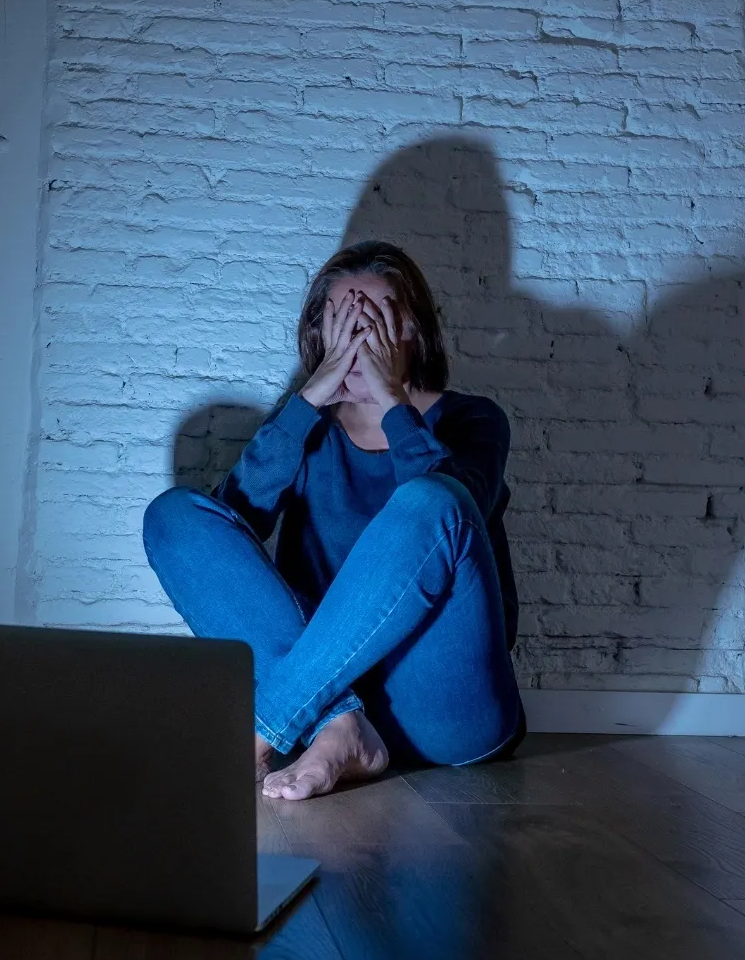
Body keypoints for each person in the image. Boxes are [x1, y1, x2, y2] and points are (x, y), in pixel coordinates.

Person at [142, 240, 525, 801]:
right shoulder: (306, 428)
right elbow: (228, 531)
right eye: (345, 321)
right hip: (327, 699)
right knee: (173, 516)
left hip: (442, 705)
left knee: (431, 501)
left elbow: (451, 506)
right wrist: (310, 397)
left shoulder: (474, 420)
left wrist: (394, 402)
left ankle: (260, 732)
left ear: (413, 331)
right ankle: (341, 728)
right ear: (320, 336)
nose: (360, 337)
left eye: (378, 319)